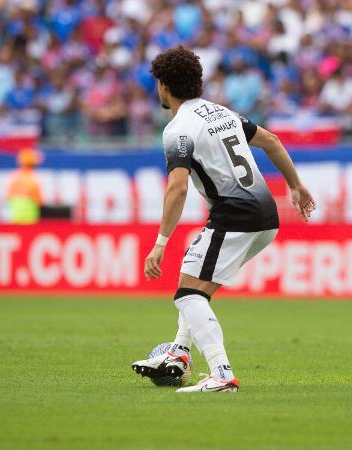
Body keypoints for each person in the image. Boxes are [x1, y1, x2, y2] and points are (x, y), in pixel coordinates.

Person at [132, 46, 316, 393]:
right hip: (265, 217)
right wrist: (296, 186)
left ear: (164, 86)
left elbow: (177, 189)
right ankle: (179, 354)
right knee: (197, 287)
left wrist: (159, 244)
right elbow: (272, 141)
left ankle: (221, 373)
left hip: (236, 214)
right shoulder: (220, 112)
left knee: (187, 294)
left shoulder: (178, 130)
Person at [7, 147, 44, 224]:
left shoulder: (13, 177)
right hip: (30, 219)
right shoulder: (34, 179)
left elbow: (9, 197)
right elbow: (40, 201)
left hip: (15, 217)